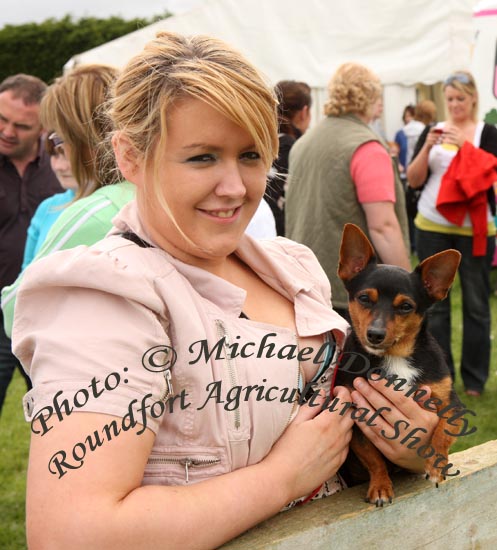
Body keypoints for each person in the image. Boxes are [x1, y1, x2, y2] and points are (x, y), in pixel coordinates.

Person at [12, 32, 438, 548]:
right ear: (129, 156)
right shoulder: (104, 298)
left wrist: (411, 446)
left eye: (252, 155)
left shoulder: (292, 266)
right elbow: (69, 535)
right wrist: (281, 477)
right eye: (202, 157)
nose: (236, 187)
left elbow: (387, 436)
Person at [1, 64, 127, 339]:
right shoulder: (151, 193)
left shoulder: (96, 211)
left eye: (60, 140)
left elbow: (15, 310)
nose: (8, 132)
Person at [286, 62, 411, 319]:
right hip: (353, 295)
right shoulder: (365, 147)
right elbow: (383, 226)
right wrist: (409, 286)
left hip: (305, 282)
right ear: (369, 97)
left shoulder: (303, 143)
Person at [407, 71, 497, 397]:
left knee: (475, 303)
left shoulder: (488, 133)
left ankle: (475, 381)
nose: (456, 105)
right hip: (432, 225)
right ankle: (440, 374)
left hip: (475, 229)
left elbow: (491, 177)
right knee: (436, 306)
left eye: (461, 98)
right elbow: (414, 180)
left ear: (473, 98)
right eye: (450, 99)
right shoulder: (434, 131)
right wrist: (426, 148)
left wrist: (465, 149)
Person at [0, 73, 62, 413]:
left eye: (21, 126)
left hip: (48, 312)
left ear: (42, 127)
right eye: (2, 119)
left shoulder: (61, 165)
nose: (8, 132)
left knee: (54, 410)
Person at [21, 131, 78, 269]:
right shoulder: (47, 207)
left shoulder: (114, 204)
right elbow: (26, 272)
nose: (60, 166)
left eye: (67, 156)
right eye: (55, 155)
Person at [267, 80, 312, 236]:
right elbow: (274, 197)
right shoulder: (289, 145)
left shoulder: (266, 138)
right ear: (304, 112)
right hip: (277, 234)